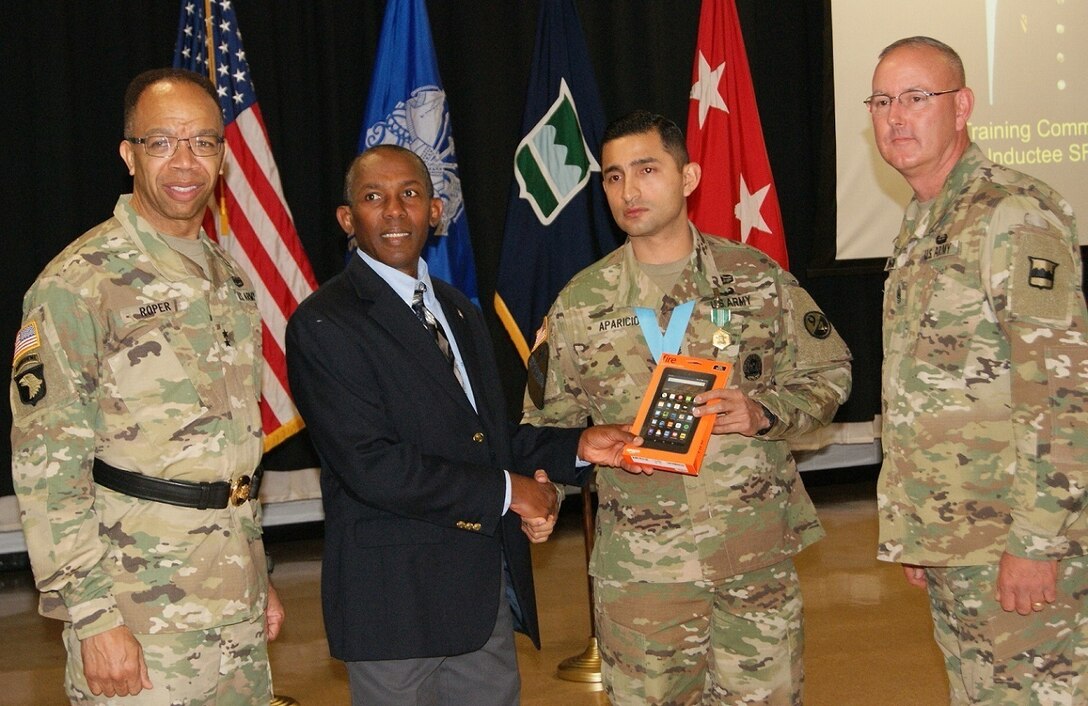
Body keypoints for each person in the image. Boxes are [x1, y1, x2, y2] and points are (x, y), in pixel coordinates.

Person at [520, 111, 853, 705]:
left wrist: (765, 412)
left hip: (754, 558)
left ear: (689, 176)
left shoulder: (756, 278)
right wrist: (547, 493)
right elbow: (544, 428)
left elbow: (830, 371)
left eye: (647, 169)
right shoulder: (578, 304)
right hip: (643, 574)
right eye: (614, 177)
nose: (629, 190)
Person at [285, 143, 635, 706]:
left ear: (435, 211)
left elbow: (491, 439)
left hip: (481, 600)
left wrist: (579, 446)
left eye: (410, 195)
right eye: (374, 198)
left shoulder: (458, 310)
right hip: (395, 610)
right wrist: (510, 492)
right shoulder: (325, 323)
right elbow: (373, 466)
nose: (394, 211)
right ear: (348, 219)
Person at [9, 68, 284, 704]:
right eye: (162, 142)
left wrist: (255, 568)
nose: (185, 162)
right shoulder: (77, 285)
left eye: (204, 143)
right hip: (137, 611)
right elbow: (47, 467)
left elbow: (231, 450)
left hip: (232, 596)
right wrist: (93, 618)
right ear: (129, 155)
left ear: (222, 155)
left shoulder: (229, 280)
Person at [870, 36, 1088, 705]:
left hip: (1012, 542)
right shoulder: (924, 219)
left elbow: (1061, 389)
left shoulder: (1010, 212)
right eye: (881, 101)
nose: (895, 117)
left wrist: (1038, 540)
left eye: (916, 97)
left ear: (961, 106)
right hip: (955, 535)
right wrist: (918, 526)